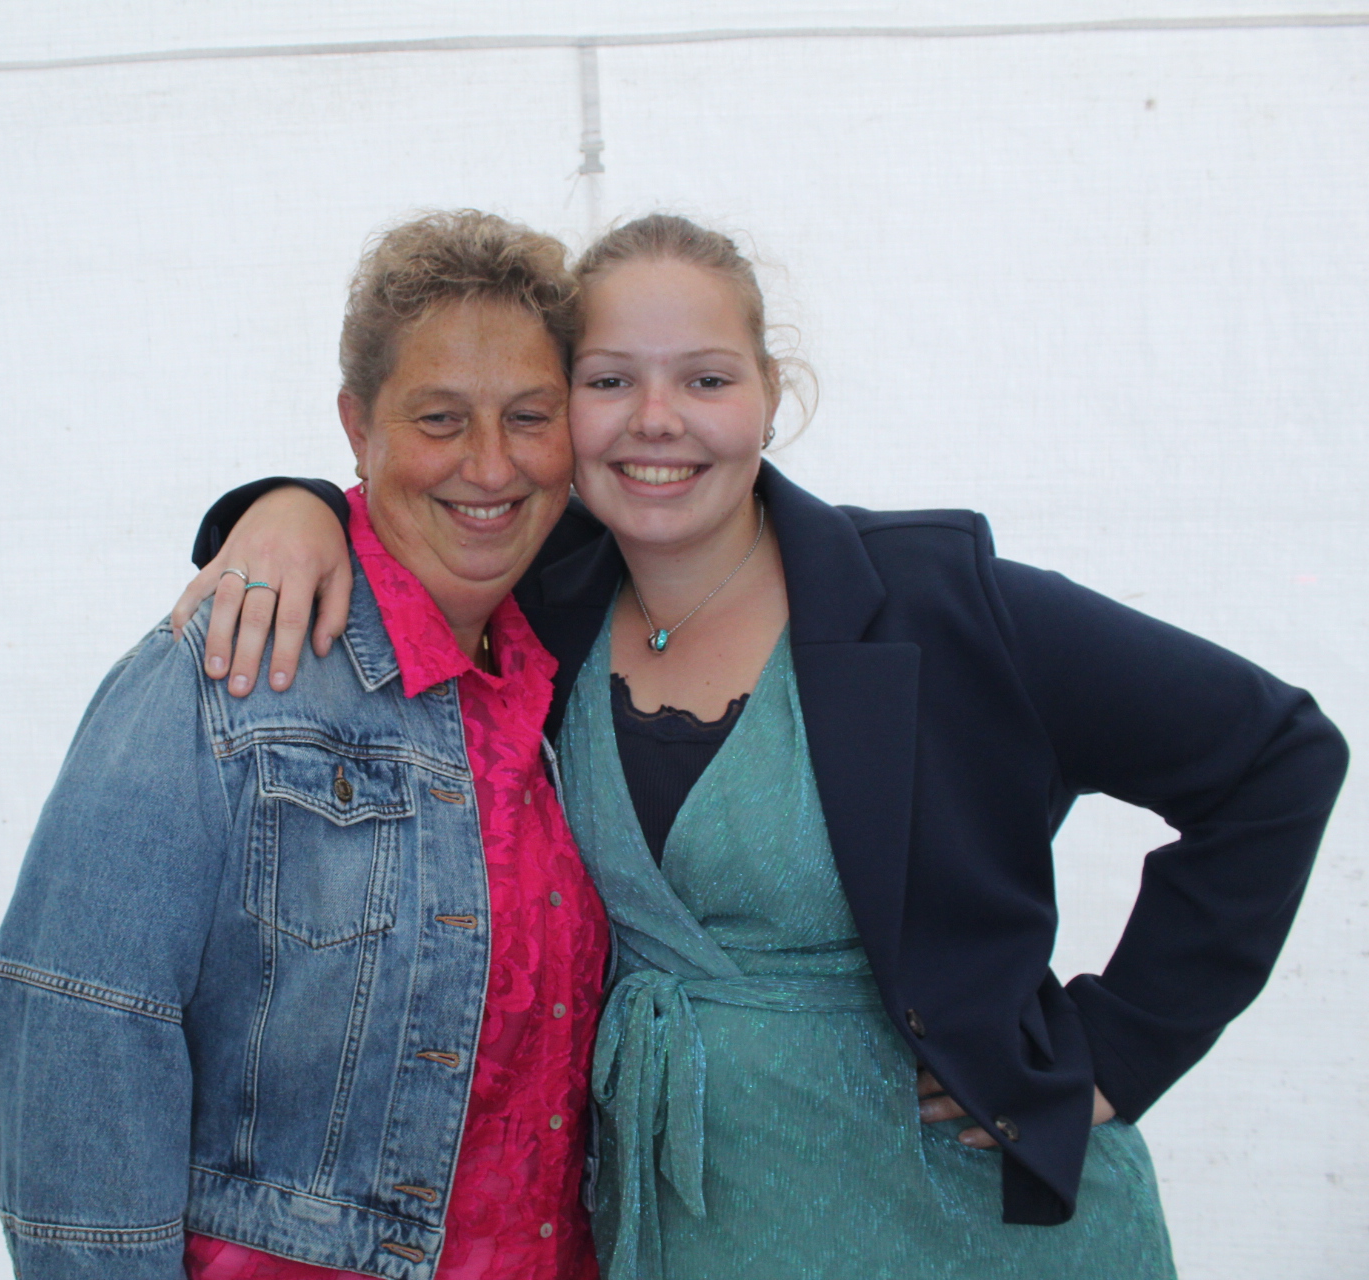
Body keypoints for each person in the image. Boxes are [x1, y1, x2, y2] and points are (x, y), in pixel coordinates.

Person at [173, 214, 1349, 1278]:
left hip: (974, 1229)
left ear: (771, 396)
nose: (657, 418)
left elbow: (1276, 755)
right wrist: (288, 505)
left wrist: (1124, 1043)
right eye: (609, 379)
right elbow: (417, 502)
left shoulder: (940, 603)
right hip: (695, 1231)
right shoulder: (544, 602)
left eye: (706, 377)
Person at [0, 211, 612, 1280]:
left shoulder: (566, 675)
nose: (490, 462)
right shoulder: (223, 672)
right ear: (357, 426)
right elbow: (75, 1031)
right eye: (440, 417)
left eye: (529, 416)